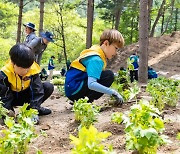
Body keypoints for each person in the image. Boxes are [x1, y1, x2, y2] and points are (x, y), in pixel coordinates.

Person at [65, 29, 124, 105]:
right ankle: (86, 102)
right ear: (106, 43)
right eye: (116, 48)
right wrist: (113, 92)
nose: (116, 53)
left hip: (72, 88)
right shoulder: (96, 59)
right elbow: (91, 84)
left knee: (107, 75)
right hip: (75, 89)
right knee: (109, 76)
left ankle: (81, 101)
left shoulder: (95, 52)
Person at [0, 44, 54, 120]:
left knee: (48, 86)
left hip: (26, 96)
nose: (27, 71)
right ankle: (9, 110)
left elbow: (37, 91)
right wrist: (8, 110)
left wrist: (33, 110)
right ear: (13, 63)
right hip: (12, 97)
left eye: (29, 67)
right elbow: (4, 95)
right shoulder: (5, 73)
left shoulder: (33, 70)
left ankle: (33, 109)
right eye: (24, 68)